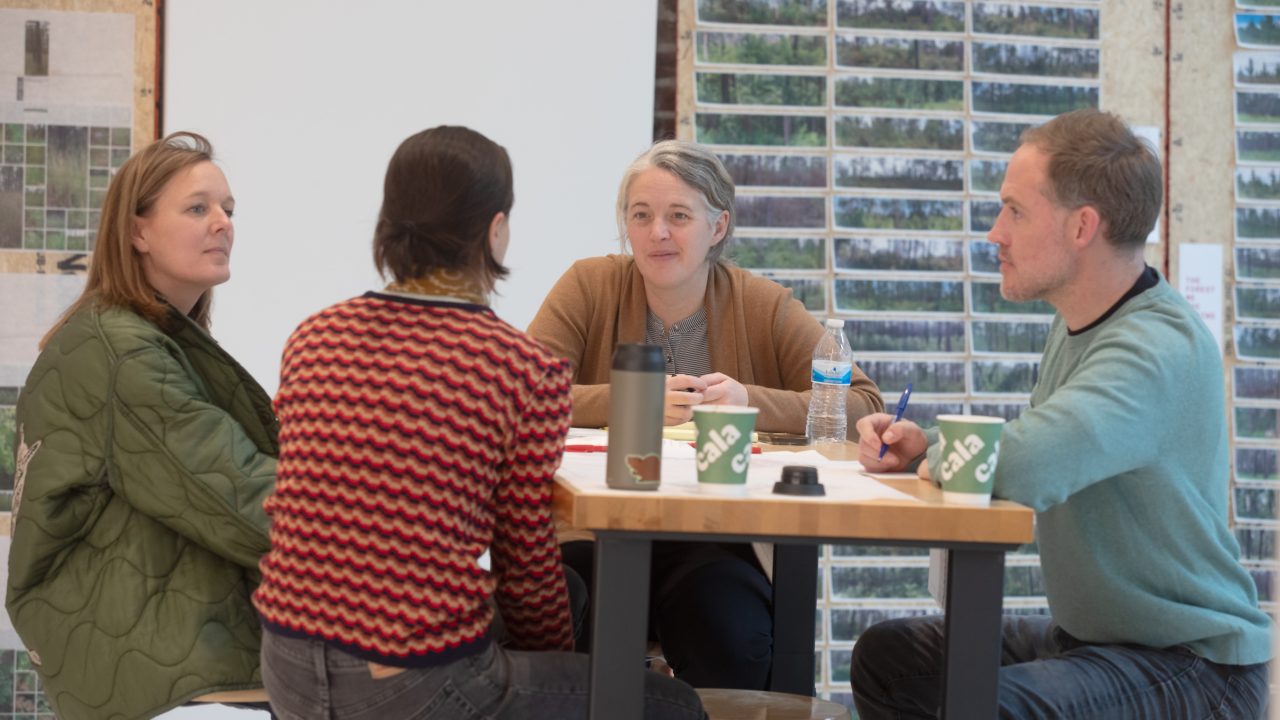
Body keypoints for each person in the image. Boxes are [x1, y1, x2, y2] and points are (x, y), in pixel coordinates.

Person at [251, 126, 705, 720]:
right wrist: (567, 679)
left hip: (285, 664)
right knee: (670, 703)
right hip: (412, 679)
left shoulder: (314, 338)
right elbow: (524, 569)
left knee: (572, 593)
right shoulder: (517, 367)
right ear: (495, 230)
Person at [851, 109, 1272, 718]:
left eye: (1015, 211)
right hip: (1100, 644)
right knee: (890, 661)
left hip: (1194, 666)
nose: (996, 233)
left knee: (984, 704)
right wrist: (925, 445)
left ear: (1082, 227)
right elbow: (1036, 446)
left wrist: (940, 455)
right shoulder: (1079, 324)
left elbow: (1028, 462)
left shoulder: (1155, 348)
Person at [528, 139, 884, 689]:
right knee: (557, 628)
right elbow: (522, 393)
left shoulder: (760, 303)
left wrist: (750, 400)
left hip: (711, 540)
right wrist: (634, 400)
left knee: (735, 637)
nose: (657, 233)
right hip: (595, 534)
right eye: (640, 216)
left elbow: (862, 403)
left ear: (718, 227)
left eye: (678, 216)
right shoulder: (589, 285)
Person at [6, 133, 277, 719]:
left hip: (171, 672)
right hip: (185, 687)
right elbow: (242, 498)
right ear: (137, 231)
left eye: (229, 209)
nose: (223, 224)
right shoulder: (122, 353)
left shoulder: (134, 340)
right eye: (198, 207)